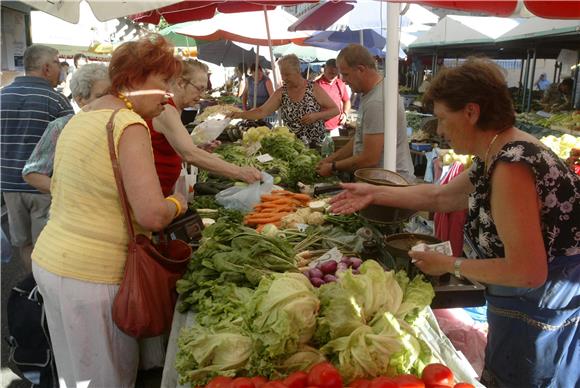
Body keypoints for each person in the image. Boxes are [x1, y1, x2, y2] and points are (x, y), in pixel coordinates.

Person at [330, 57, 580, 388]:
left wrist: (450, 263)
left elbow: (527, 272)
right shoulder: (498, 151)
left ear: (471, 112)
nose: (441, 130)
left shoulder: (512, 166)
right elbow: (441, 198)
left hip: (539, 310)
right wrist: (374, 193)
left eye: (443, 119)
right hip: (528, 302)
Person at [31, 35, 185, 387]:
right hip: (93, 277)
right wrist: (179, 201)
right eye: (163, 83)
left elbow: (67, 187)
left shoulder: (80, 118)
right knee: (105, 378)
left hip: (52, 261)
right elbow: (152, 216)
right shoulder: (128, 124)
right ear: (132, 80)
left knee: (74, 371)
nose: (168, 95)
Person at [0, 44, 73, 273]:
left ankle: (33, 286)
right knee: (47, 244)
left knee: (25, 244)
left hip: (9, 185)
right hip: (44, 186)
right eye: (57, 62)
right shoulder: (58, 101)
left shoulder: (2, 96)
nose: (60, 68)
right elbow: (72, 143)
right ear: (46, 68)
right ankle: (46, 293)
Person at [148, 58, 261, 197]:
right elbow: (189, 154)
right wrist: (239, 172)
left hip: (162, 190)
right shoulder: (166, 110)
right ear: (180, 83)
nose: (201, 96)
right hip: (152, 194)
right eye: (199, 89)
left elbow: (173, 150)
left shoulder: (175, 109)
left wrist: (198, 149)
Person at [316, 44, 415, 182]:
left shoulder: (376, 102)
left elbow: (369, 159)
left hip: (389, 184)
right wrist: (331, 159)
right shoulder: (371, 93)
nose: (343, 80)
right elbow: (359, 139)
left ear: (361, 69)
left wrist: (333, 166)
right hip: (380, 182)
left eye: (345, 74)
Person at [22, 63, 110, 193]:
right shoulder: (62, 126)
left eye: (113, 95)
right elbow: (32, 173)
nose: (110, 101)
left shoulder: (121, 123)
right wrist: (69, 193)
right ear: (80, 100)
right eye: (101, 96)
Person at [230, 54, 339, 147]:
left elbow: (335, 110)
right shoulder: (282, 92)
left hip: (315, 144)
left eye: (287, 74)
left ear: (298, 71)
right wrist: (240, 115)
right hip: (291, 145)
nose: (284, 78)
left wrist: (316, 116)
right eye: (282, 74)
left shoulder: (313, 88)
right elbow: (262, 112)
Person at [315, 59, 351, 137]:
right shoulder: (316, 85)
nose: (333, 75)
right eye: (330, 73)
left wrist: (345, 114)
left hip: (336, 127)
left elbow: (346, 101)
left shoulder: (340, 83)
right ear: (324, 70)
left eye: (335, 73)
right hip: (319, 127)